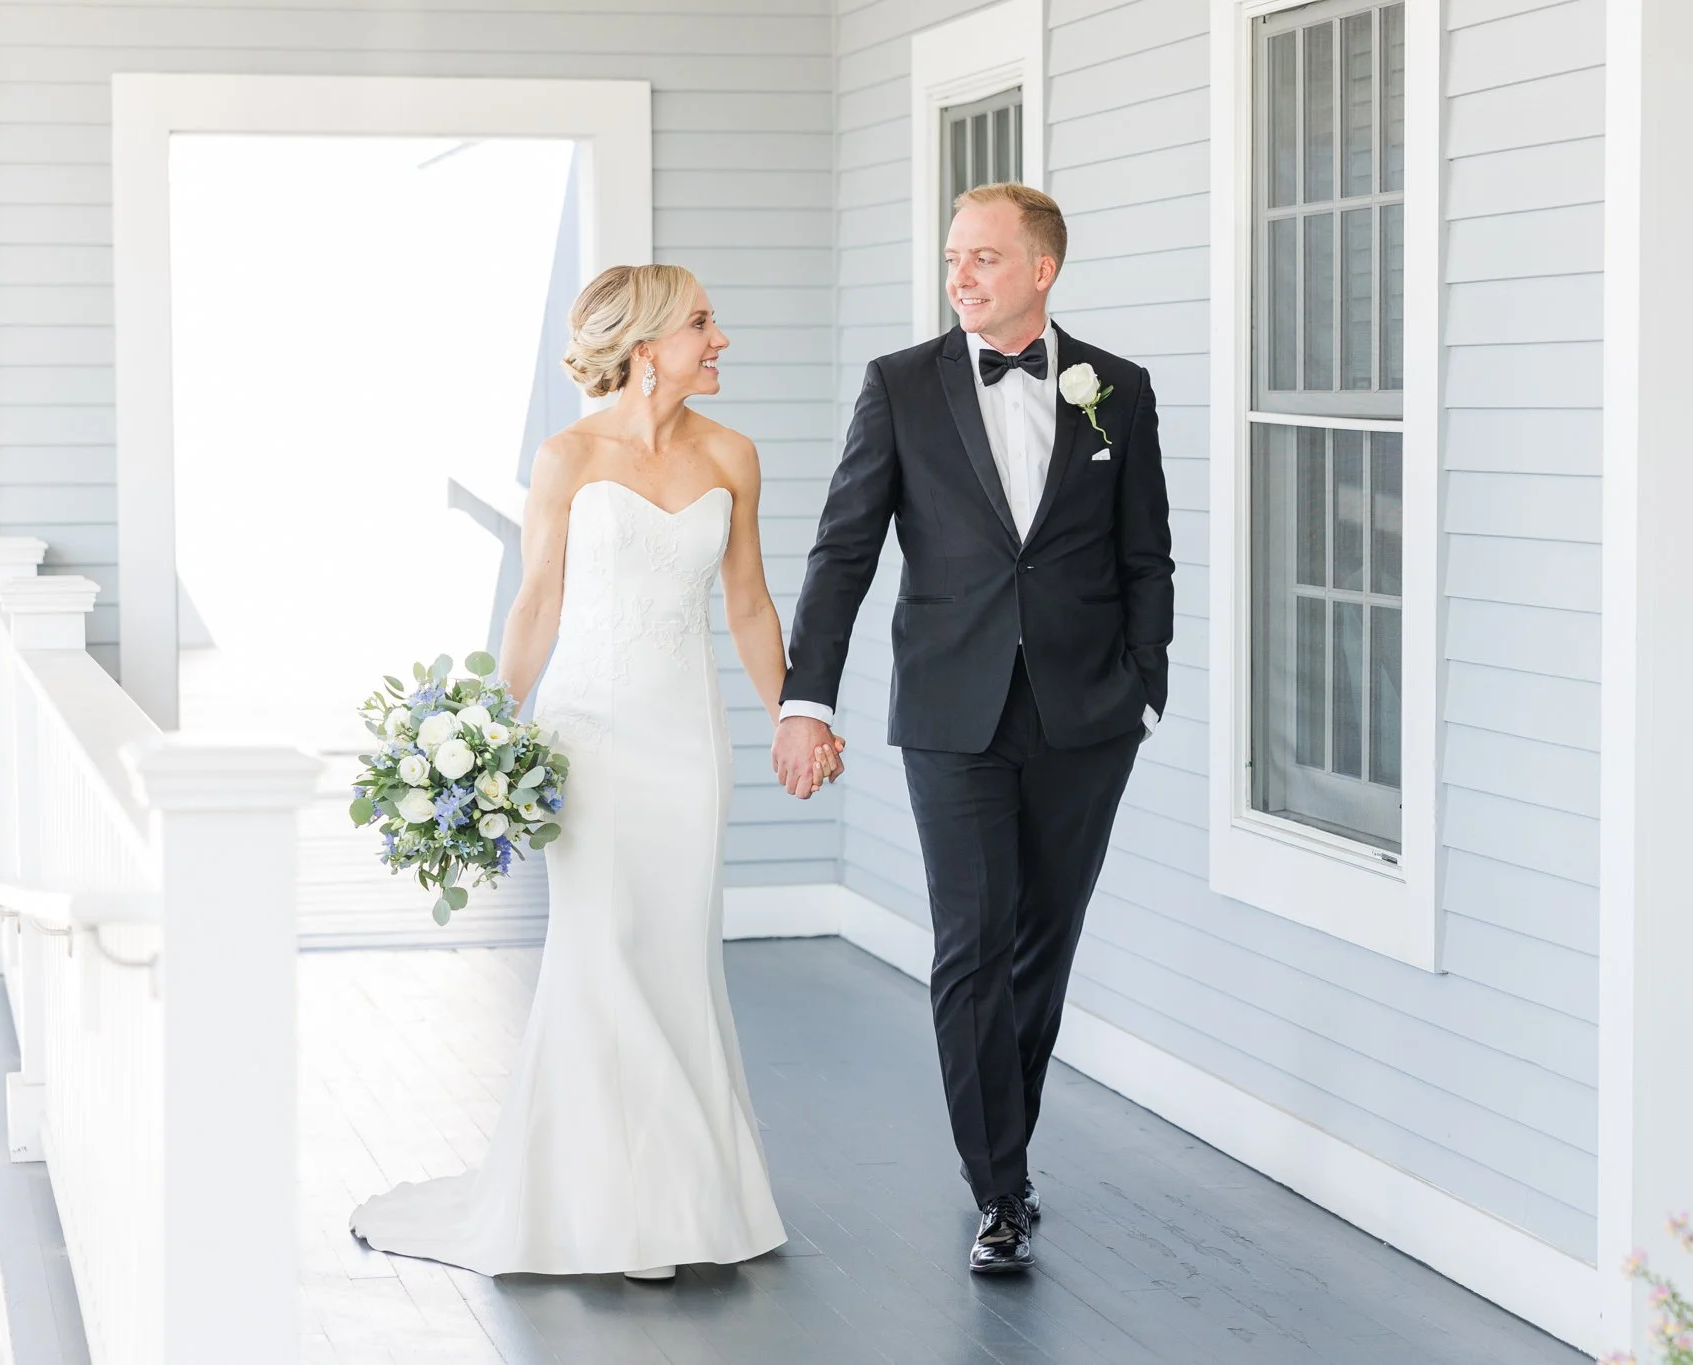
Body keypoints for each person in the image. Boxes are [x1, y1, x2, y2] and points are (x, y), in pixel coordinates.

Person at [350, 263, 838, 1280]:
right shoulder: (567, 457)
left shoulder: (732, 455)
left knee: (677, 951)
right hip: (590, 737)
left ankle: (689, 1197)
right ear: (647, 344)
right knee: (601, 947)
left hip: (687, 738)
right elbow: (537, 602)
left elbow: (749, 603)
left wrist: (795, 718)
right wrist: (486, 729)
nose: (720, 340)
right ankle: (616, 1208)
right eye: (702, 323)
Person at [773, 183, 1175, 1275]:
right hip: (952, 712)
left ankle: (1007, 1148)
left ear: (1041, 270)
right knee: (972, 943)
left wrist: (1145, 686)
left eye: (984, 258)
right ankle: (1000, 1186)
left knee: (1044, 939)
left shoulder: (1118, 389)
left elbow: (1145, 552)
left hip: (1088, 715)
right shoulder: (900, 386)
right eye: (954, 257)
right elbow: (842, 553)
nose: (960, 277)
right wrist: (807, 699)